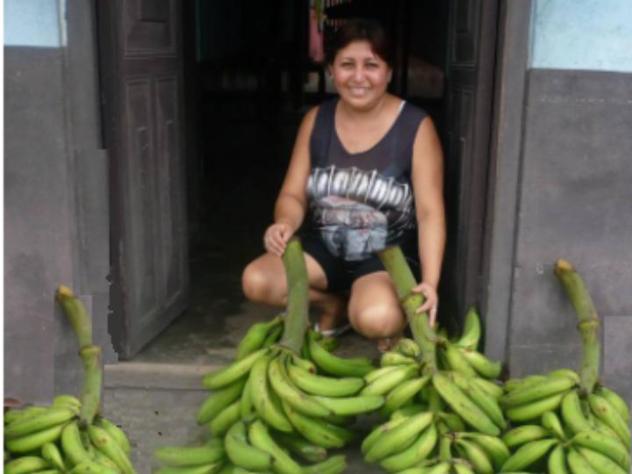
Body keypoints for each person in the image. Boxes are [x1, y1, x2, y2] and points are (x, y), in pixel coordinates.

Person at [242, 19, 445, 351]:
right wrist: (285, 222)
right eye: (347, 64)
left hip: (386, 257)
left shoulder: (416, 126)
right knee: (257, 280)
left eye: (371, 65)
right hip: (324, 249)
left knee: (375, 318)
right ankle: (332, 306)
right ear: (332, 71)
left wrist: (430, 283)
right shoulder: (316, 120)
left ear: (389, 72)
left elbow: (429, 213)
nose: (359, 76)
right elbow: (292, 194)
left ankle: (375, 311)